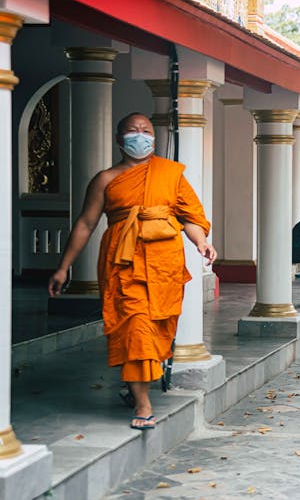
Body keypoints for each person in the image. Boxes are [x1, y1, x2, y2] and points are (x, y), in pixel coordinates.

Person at [48, 113, 216, 431]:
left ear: (154, 137)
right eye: (132, 130)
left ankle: (134, 387)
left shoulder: (170, 174)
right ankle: (143, 403)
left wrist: (201, 242)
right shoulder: (106, 179)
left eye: (146, 131)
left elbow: (190, 215)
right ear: (118, 138)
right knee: (134, 328)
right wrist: (63, 267)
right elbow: (85, 224)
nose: (140, 136)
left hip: (165, 264)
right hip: (123, 264)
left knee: (156, 330)